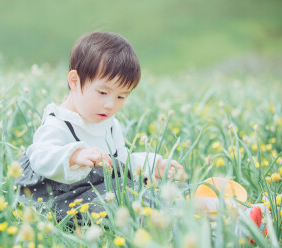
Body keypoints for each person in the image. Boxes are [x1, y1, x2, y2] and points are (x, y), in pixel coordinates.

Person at [15, 32, 182, 221]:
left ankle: (186, 208)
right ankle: (161, 216)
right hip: (62, 196)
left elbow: (120, 164)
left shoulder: (110, 124)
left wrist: (150, 166)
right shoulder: (59, 123)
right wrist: (75, 156)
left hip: (98, 190)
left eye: (121, 96)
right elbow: (40, 158)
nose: (111, 104)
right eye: (102, 92)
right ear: (75, 81)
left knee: (161, 188)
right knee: (123, 203)